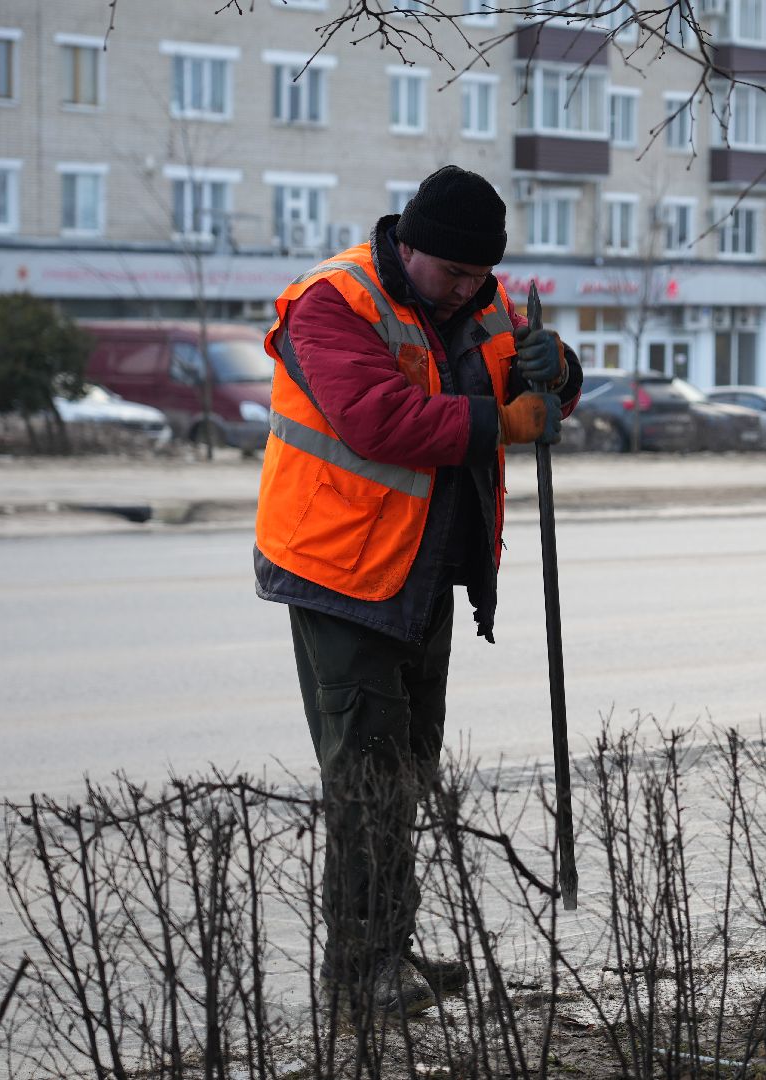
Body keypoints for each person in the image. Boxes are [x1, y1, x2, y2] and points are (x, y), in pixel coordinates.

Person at [252, 165, 581, 1019]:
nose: (470, 290)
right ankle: (360, 974)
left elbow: (533, 387)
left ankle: (386, 947)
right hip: (341, 572)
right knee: (366, 774)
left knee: (406, 769)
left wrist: (561, 372)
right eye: (455, 274)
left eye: (481, 276)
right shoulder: (333, 302)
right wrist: (503, 421)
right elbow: (377, 417)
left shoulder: (482, 304)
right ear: (410, 246)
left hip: (426, 573)